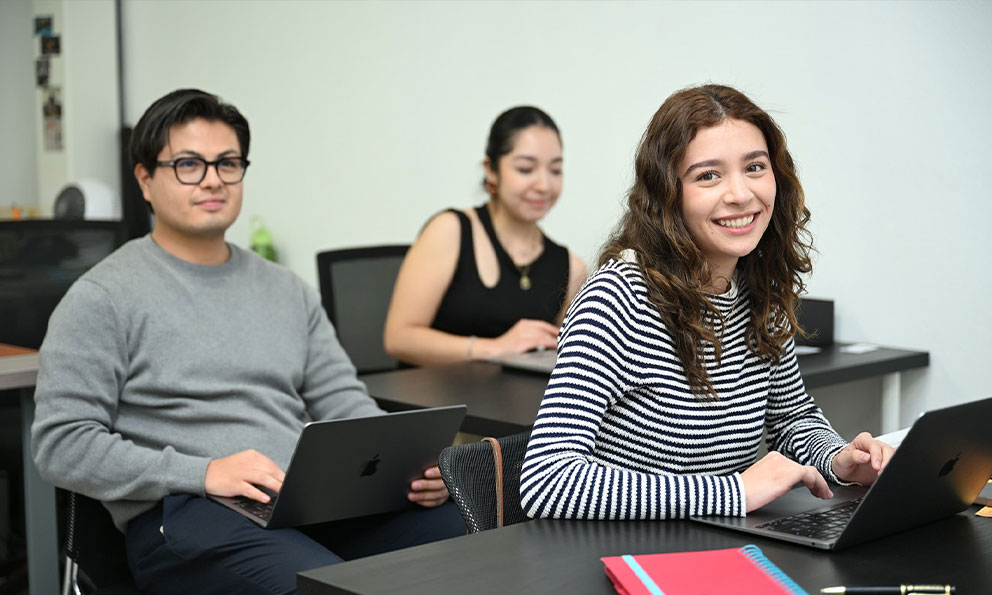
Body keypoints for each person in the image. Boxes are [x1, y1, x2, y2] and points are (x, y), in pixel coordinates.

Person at [31, 89, 464, 594]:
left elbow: (344, 403)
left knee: (473, 542)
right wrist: (203, 472)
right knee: (322, 585)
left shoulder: (287, 290)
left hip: (305, 500)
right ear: (145, 179)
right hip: (189, 511)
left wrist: (403, 467)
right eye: (188, 164)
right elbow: (60, 444)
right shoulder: (102, 297)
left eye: (228, 163)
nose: (213, 179)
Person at [519, 84, 895, 520]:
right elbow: (547, 481)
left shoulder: (761, 291)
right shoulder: (617, 297)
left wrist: (839, 459)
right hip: (620, 548)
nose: (740, 194)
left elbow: (792, 418)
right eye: (708, 176)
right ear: (667, 195)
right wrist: (734, 492)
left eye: (754, 167)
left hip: (718, 538)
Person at [383, 106, 587, 366]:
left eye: (555, 170)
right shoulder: (449, 230)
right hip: (436, 390)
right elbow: (398, 339)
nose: (544, 185)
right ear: (491, 169)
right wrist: (495, 348)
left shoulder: (572, 267)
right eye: (526, 169)